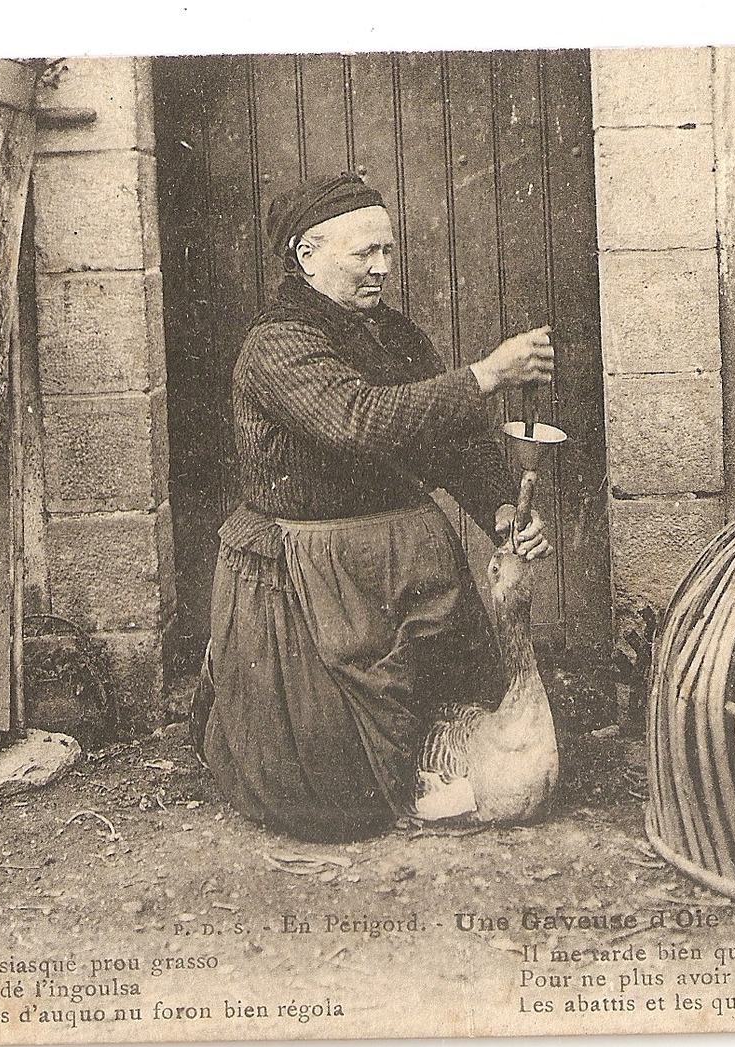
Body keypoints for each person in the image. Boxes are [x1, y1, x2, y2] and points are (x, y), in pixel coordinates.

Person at [193, 171, 555, 841]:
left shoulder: (392, 335)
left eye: (386, 251)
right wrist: (487, 375)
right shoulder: (278, 344)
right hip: (312, 576)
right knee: (335, 800)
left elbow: (452, 439)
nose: (383, 268)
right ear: (305, 254)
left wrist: (503, 511)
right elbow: (357, 419)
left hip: (407, 562)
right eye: (365, 253)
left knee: (455, 733)